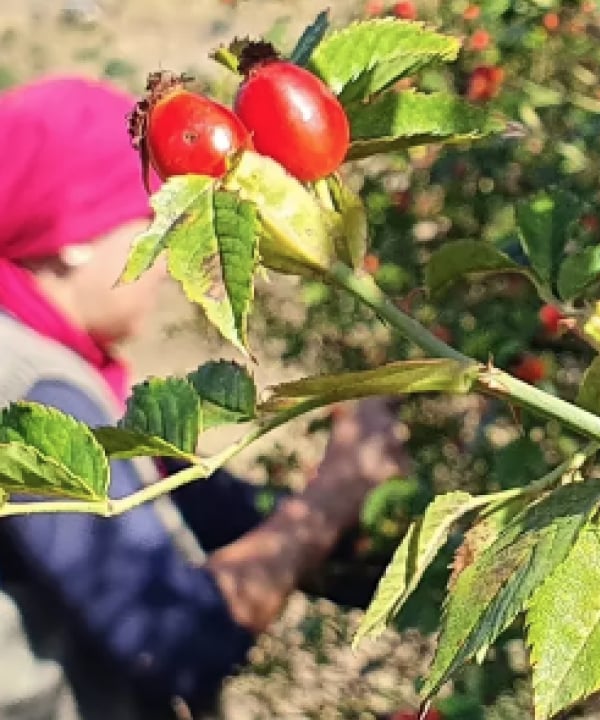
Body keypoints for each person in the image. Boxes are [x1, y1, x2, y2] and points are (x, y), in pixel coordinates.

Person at [0, 76, 409, 719]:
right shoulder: (31, 394)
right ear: (73, 233)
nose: (166, 258)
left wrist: (375, 538)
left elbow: (194, 501)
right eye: (151, 220)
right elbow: (172, 639)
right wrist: (336, 491)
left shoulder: (53, 364)